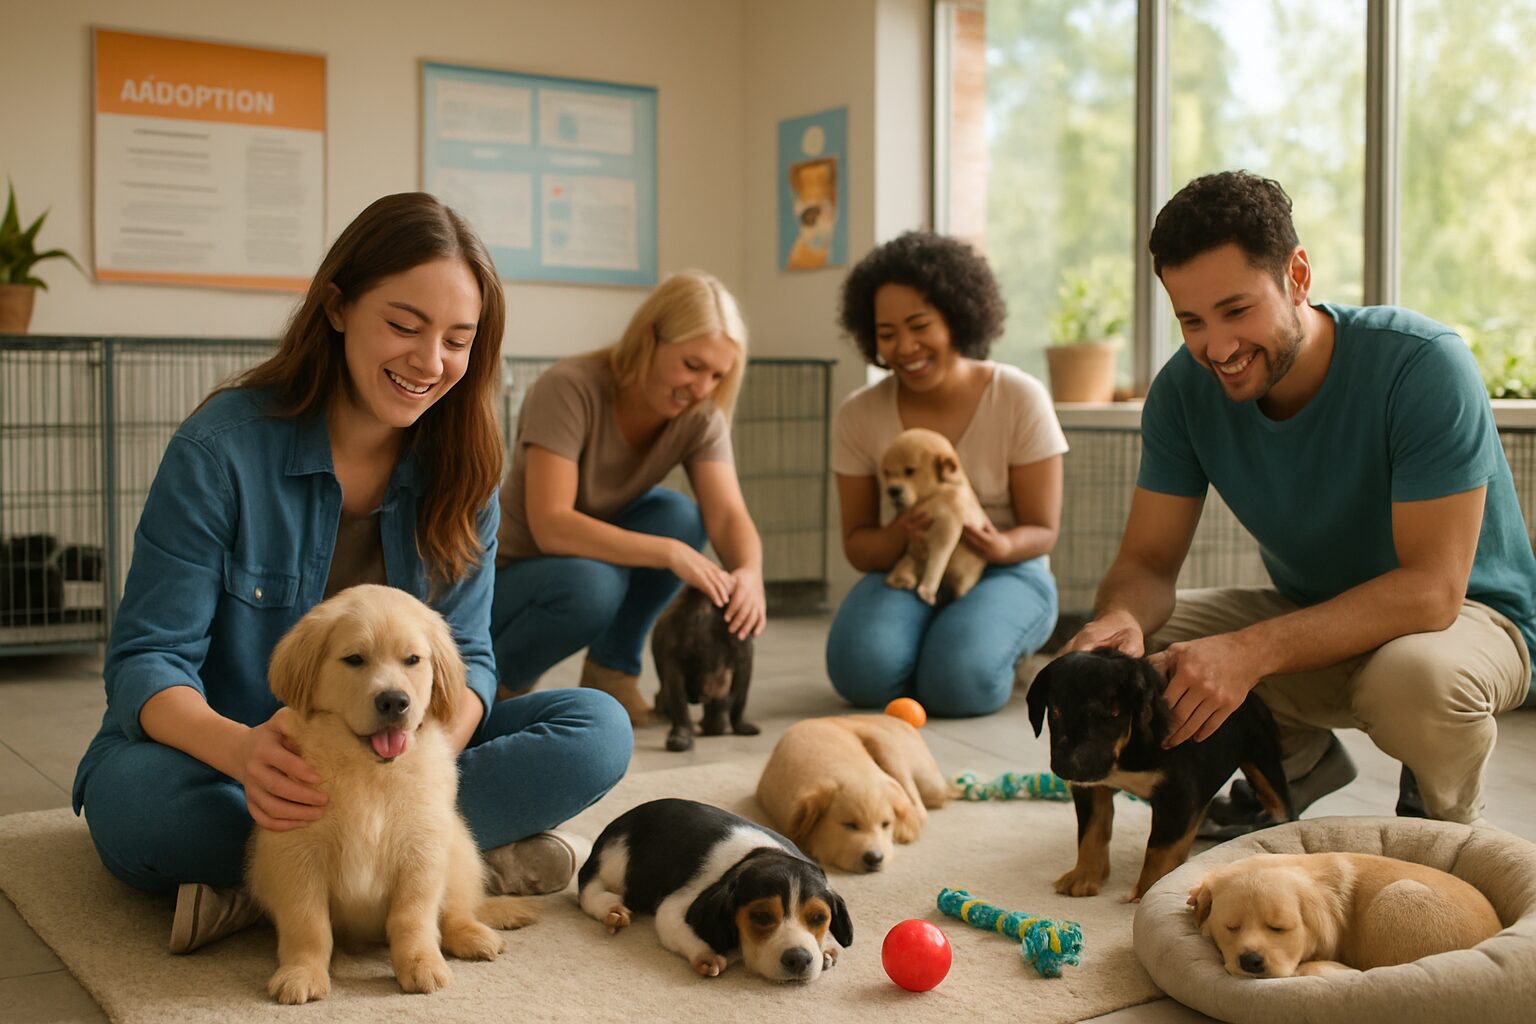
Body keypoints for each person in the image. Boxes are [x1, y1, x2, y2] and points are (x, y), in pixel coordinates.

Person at [71, 193, 632, 953]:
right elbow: (146, 660)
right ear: (337, 307)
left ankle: (315, 880)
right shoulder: (220, 451)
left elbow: (469, 664)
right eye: (404, 325)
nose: (429, 362)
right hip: (235, 764)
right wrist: (243, 753)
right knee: (141, 815)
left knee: (598, 730)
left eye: (457, 340)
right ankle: (438, 867)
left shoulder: (463, 470)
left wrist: (425, 774)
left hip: (401, 764)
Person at [1065, 170, 1535, 834]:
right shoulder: (1181, 393)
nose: (1218, 348)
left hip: (1468, 623)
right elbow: (1145, 564)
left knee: (1411, 680)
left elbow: (1432, 591)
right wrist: (1118, 622)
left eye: (1237, 310)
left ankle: (1442, 819)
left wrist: (1251, 651)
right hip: (1318, 616)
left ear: (1298, 275)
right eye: (1191, 321)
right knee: (1140, 654)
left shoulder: (1423, 364)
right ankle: (1298, 764)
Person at [490, 270, 766, 726]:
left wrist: (751, 573)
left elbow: (728, 513)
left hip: (582, 562)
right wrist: (670, 555)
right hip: (510, 572)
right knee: (594, 585)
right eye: (692, 365)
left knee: (680, 516)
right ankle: (496, 689)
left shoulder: (699, 415)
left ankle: (612, 674)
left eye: (717, 375)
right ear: (650, 337)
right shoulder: (569, 387)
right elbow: (551, 523)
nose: (702, 387)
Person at [826, 231, 1067, 717]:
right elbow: (858, 544)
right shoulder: (858, 415)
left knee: (960, 685)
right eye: (887, 333)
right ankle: (937, 645)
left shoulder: (1018, 397)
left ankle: (972, 648)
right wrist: (902, 534)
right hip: (911, 559)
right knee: (860, 671)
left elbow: (1042, 530)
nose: (905, 346)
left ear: (956, 317)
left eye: (920, 325)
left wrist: (1000, 546)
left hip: (1006, 567)